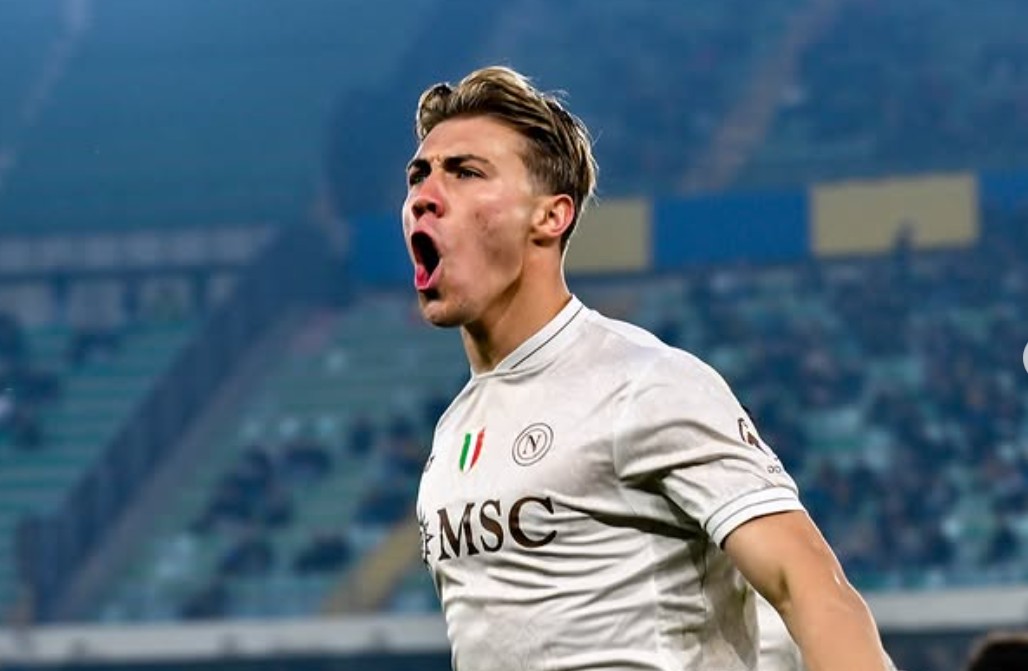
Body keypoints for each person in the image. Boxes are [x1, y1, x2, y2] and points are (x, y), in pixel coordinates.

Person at [405, 65, 892, 671]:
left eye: (466, 172)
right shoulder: (453, 431)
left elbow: (813, 592)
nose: (424, 195)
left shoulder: (644, 384)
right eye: (419, 175)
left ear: (550, 216)